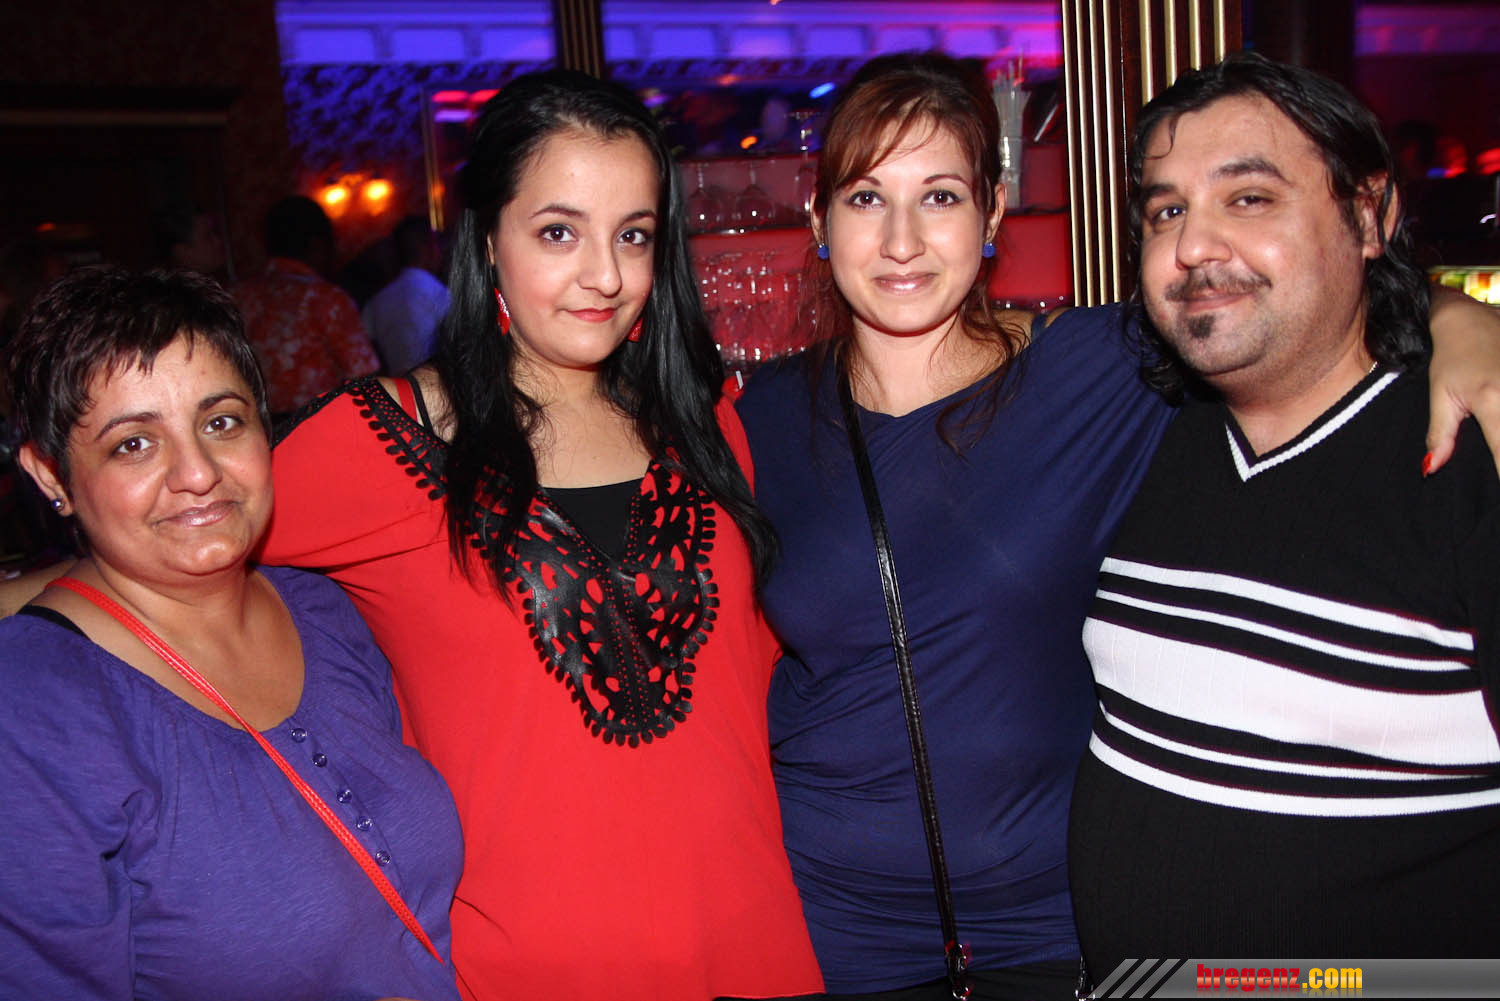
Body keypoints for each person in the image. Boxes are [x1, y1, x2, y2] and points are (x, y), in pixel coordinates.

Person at [734, 51, 1500, 1000]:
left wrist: (1458, 317)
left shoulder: (1105, 370)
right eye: (864, 198)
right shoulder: (756, 417)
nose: (901, 240)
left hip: (1052, 934)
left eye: (939, 196)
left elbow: (1276, 307)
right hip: (830, 925)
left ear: (992, 213)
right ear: (818, 220)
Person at [260, 71, 823, 1001]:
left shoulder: (708, 423)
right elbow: (161, 554)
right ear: (488, 240)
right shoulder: (379, 438)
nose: (606, 275)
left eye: (633, 235)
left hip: (755, 946)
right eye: (559, 232)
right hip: (529, 967)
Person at [1068, 53, 1500, 980]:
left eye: (1250, 198)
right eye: (1166, 211)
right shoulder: (1145, 429)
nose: (1194, 246)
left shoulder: (1472, 455)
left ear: (1370, 216)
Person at [0, 267, 462, 1000]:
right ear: (51, 475)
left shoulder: (327, 609)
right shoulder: (32, 709)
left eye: (221, 422)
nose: (197, 473)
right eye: (133, 444)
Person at [233, 195, 380, 416]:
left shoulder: (238, 296)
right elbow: (365, 377)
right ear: (318, 244)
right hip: (320, 425)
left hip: (259, 427)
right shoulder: (324, 298)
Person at [362, 216, 450, 375]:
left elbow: (369, 354)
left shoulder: (376, 302)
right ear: (427, 247)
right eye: (437, 244)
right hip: (434, 385)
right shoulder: (438, 293)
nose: (441, 252)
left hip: (395, 386)